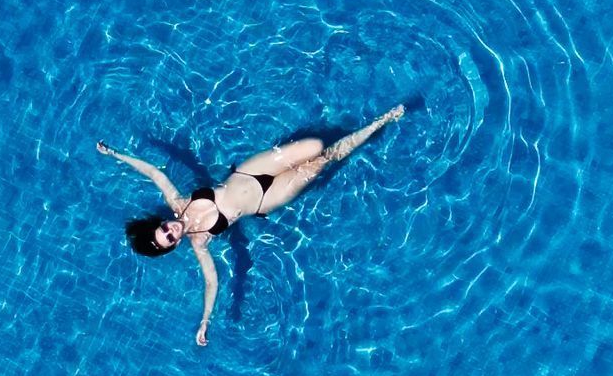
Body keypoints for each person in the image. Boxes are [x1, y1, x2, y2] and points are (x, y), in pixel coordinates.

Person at [97, 106, 405, 346]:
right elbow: (211, 283)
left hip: (247, 173)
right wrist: (205, 321)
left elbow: (153, 172)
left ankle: (326, 139)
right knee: (323, 161)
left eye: (164, 229)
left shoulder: (178, 201)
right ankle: (382, 122)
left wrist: (114, 154)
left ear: (161, 222)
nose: (171, 231)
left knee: (313, 145)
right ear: (175, 245)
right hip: (264, 201)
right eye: (170, 239)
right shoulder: (200, 243)